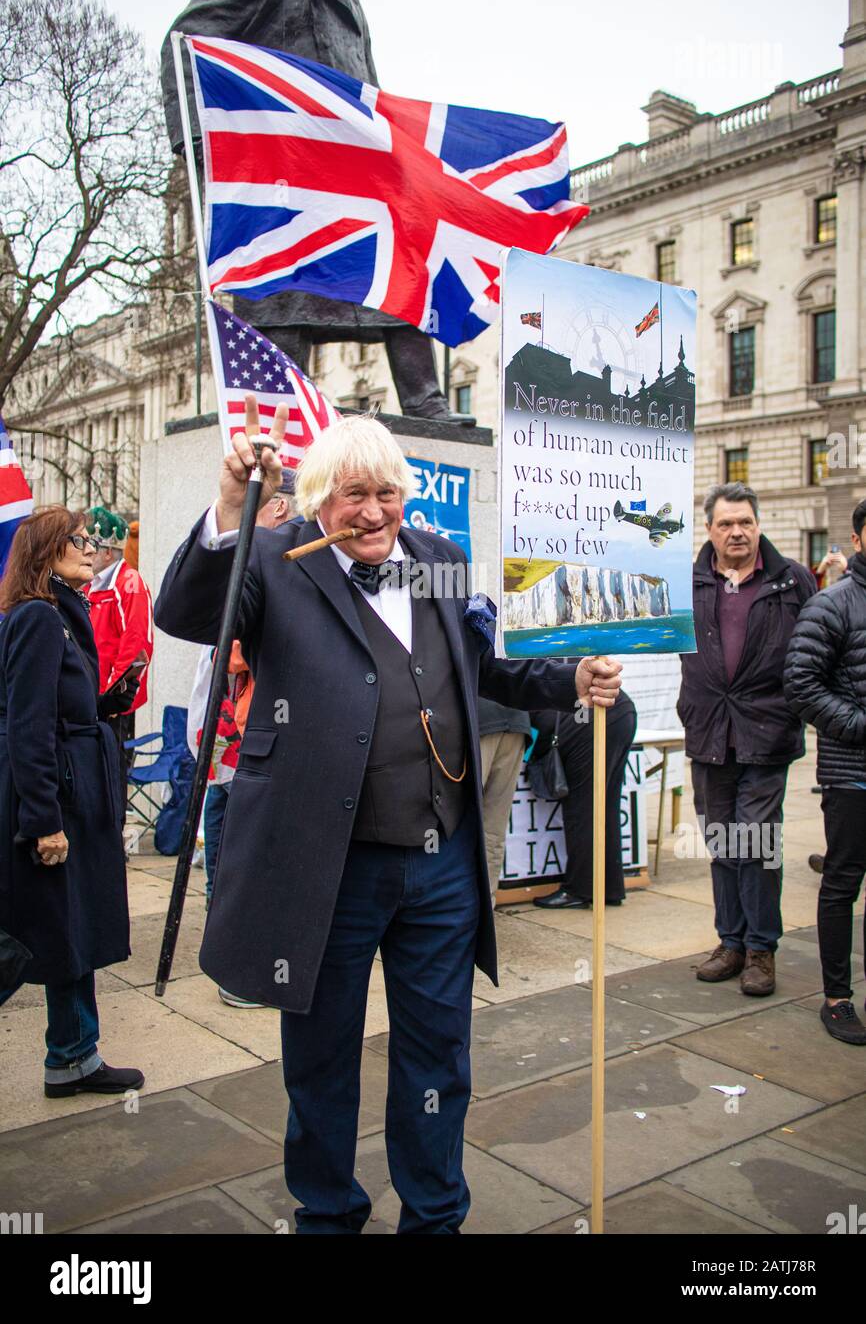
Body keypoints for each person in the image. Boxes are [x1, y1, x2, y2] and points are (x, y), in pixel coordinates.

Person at [154, 400, 621, 1234]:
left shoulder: (437, 557)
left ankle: (435, 1212)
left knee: (439, 1051)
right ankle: (328, 1211)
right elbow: (189, 614)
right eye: (352, 496)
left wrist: (569, 678)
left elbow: (487, 662)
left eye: (388, 495)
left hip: (439, 867)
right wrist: (229, 507)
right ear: (317, 501)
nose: (373, 514)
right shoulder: (274, 558)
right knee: (323, 1055)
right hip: (324, 866)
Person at [160, 0, 466, 425]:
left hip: (352, 162)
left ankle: (423, 397)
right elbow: (184, 45)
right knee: (283, 285)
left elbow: (367, 82)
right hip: (281, 161)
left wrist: (396, 153)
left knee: (404, 252)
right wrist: (195, 139)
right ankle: (278, 405)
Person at [0, 507, 142, 1096]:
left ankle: (73, 1056)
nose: (91, 547)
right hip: (58, 798)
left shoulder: (59, 613)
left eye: (90, 538)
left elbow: (61, 706)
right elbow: (27, 725)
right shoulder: (37, 616)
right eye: (77, 539)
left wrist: (109, 702)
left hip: (73, 790)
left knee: (68, 928)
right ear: (45, 553)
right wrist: (43, 821)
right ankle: (72, 1054)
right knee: (41, 933)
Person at [678, 482, 816, 997]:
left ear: (758, 525)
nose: (737, 532)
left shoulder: (793, 581)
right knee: (721, 842)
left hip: (767, 729)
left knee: (756, 842)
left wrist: (801, 706)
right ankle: (730, 942)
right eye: (726, 524)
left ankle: (761, 949)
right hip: (709, 728)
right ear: (709, 529)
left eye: (746, 523)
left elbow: (822, 649)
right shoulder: (687, 583)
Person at [187, 470, 296, 1008]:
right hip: (236, 742)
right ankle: (232, 965)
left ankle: (229, 951)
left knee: (237, 852)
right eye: (290, 511)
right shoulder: (255, 564)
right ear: (276, 512)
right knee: (238, 857)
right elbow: (228, 646)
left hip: (240, 743)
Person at [784, 498, 866, 1045]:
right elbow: (801, 684)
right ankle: (837, 997)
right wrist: (860, 725)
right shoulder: (833, 604)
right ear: (858, 539)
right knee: (842, 882)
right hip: (853, 772)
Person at [530, 692, 637, 909]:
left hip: (589, 720)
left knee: (583, 809)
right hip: (618, 712)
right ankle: (608, 888)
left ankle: (578, 890)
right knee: (605, 806)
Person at [85, 506, 154, 811]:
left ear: (108, 553)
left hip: (112, 704)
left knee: (111, 776)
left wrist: (113, 697)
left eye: (92, 547)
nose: (86, 552)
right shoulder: (90, 586)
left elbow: (135, 646)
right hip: (88, 700)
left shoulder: (130, 585)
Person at [476, 699, 533, 904]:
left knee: (458, 824)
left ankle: (461, 910)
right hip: (515, 719)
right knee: (493, 827)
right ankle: (485, 906)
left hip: (480, 720)